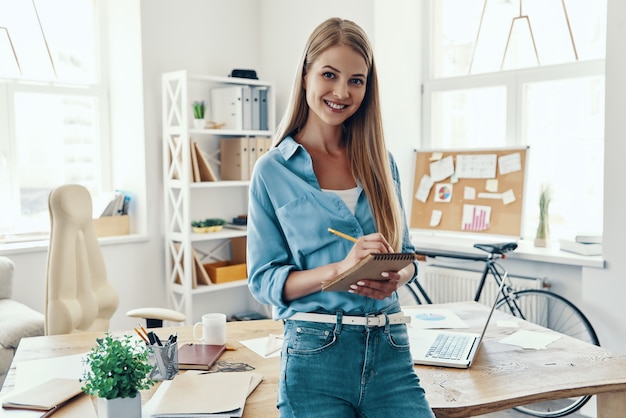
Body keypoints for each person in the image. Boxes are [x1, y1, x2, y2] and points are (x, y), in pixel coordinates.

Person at [247, 17, 434, 418]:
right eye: (329, 75)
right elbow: (263, 281)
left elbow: (408, 256)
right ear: (304, 76)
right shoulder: (272, 171)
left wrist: (395, 277)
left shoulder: (382, 164)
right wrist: (340, 270)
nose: (341, 91)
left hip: (391, 346)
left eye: (356, 80)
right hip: (315, 354)